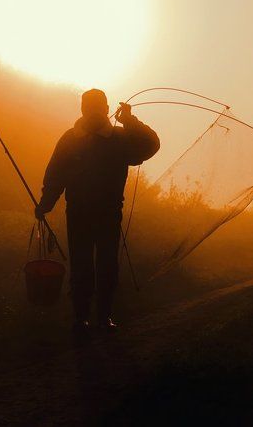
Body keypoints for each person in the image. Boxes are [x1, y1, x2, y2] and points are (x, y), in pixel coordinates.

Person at [35, 89, 160, 334]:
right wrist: (45, 204)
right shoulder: (77, 139)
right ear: (84, 109)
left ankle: (98, 318)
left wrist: (130, 122)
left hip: (105, 213)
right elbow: (56, 176)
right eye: (88, 106)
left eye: (95, 106)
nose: (92, 111)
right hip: (85, 213)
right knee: (85, 266)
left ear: (105, 109)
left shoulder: (119, 137)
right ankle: (86, 319)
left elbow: (150, 146)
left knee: (104, 266)